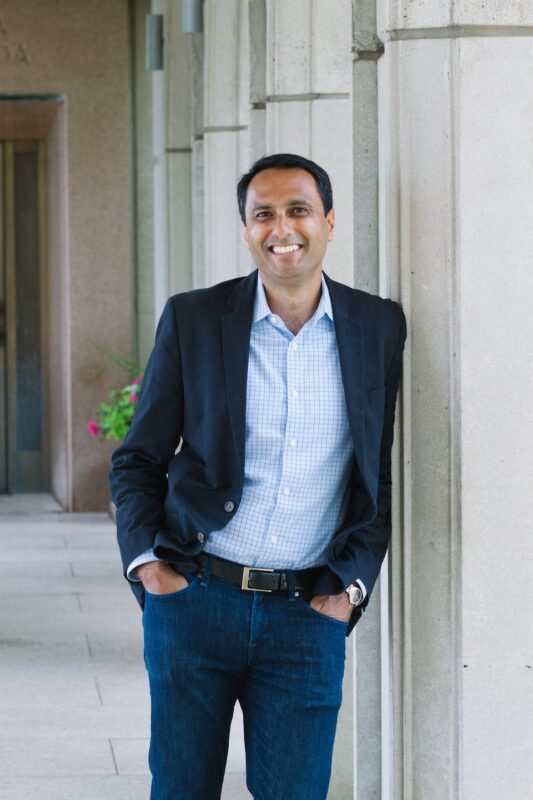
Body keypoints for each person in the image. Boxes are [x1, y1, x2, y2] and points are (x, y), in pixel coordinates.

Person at [109, 153, 407, 800]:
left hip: (307, 614)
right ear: (245, 229)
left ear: (328, 220)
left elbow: (374, 477)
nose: (282, 229)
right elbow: (138, 459)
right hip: (195, 600)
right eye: (262, 214)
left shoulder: (377, 328)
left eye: (297, 210)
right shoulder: (193, 320)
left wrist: (347, 589)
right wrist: (148, 568)